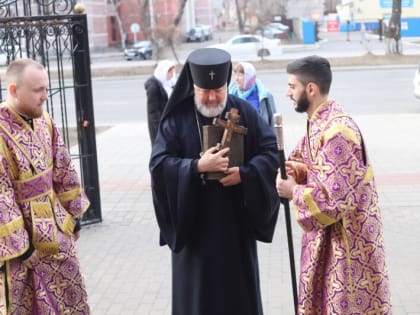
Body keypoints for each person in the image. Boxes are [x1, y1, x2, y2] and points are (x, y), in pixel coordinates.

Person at [149, 48, 280, 315]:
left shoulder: (243, 111)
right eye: (204, 91)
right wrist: (197, 166)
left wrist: (245, 173)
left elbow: (270, 153)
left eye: (218, 91)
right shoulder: (176, 118)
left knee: (237, 298)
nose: (211, 98)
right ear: (193, 86)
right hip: (194, 229)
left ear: (226, 83)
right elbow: (158, 166)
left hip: (235, 226)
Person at [276, 55, 392, 314]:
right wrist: (290, 171)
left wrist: (293, 191)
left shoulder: (337, 131)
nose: (287, 93)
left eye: (291, 86)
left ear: (310, 89)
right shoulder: (319, 121)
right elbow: (306, 161)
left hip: (347, 246)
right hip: (329, 239)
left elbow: (337, 202)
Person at [0, 58, 90, 313]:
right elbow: (1, 194)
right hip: (21, 245)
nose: (45, 96)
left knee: (71, 300)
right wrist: (22, 246)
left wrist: (74, 213)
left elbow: (62, 168)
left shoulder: (45, 122)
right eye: (38, 90)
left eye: (46, 89)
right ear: (14, 90)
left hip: (57, 230)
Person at [229, 61, 277, 128]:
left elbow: (273, 120)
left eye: (239, 75)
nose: (236, 79)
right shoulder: (230, 95)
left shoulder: (264, 95)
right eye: (235, 75)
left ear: (249, 77)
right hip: (236, 137)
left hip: (259, 135)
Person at [144, 59, 177, 144]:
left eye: (173, 72)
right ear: (163, 72)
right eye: (170, 73)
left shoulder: (169, 83)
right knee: (161, 148)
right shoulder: (153, 87)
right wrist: (160, 128)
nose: (172, 75)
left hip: (168, 124)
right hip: (159, 126)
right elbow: (153, 111)